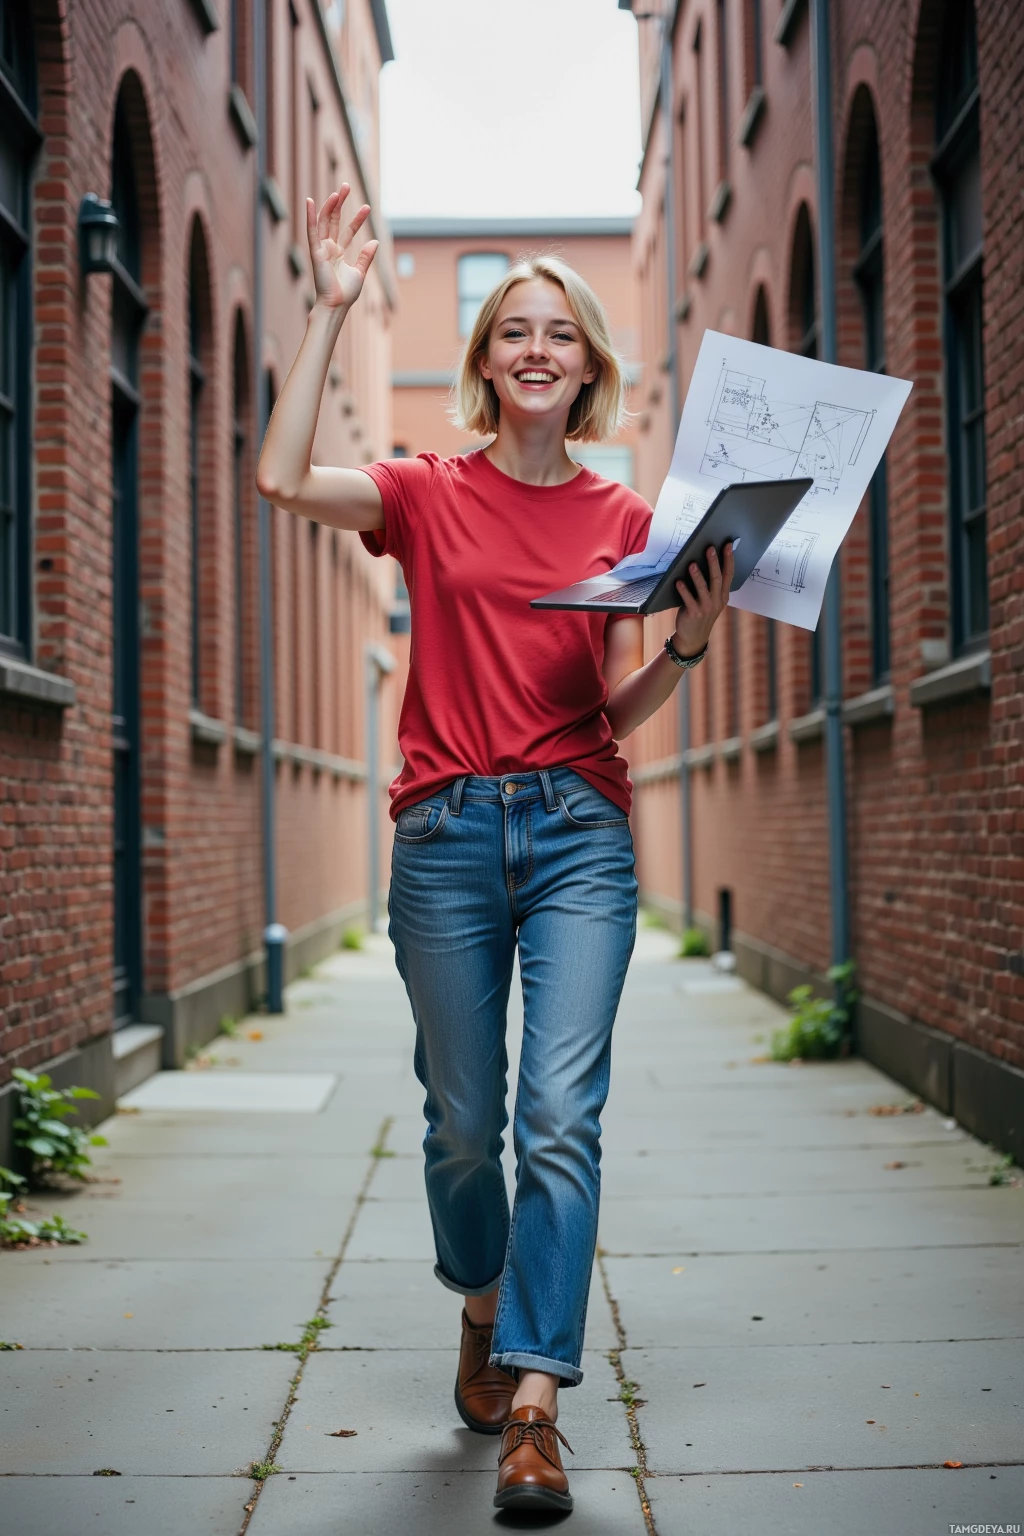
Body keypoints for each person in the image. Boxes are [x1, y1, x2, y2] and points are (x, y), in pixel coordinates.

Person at [256, 186, 734, 1516]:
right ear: (483, 363)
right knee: (466, 1128)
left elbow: (611, 702)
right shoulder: (422, 492)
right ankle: (481, 1299)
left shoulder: (630, 522)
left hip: (580, 827)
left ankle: (534, 1402)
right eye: (510, 329)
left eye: (559, 332)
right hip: (449, 836)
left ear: (588, 365)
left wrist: (686, 645)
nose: (535, 346)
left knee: (560, 1120)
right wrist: (335, 301)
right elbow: (281, 476)